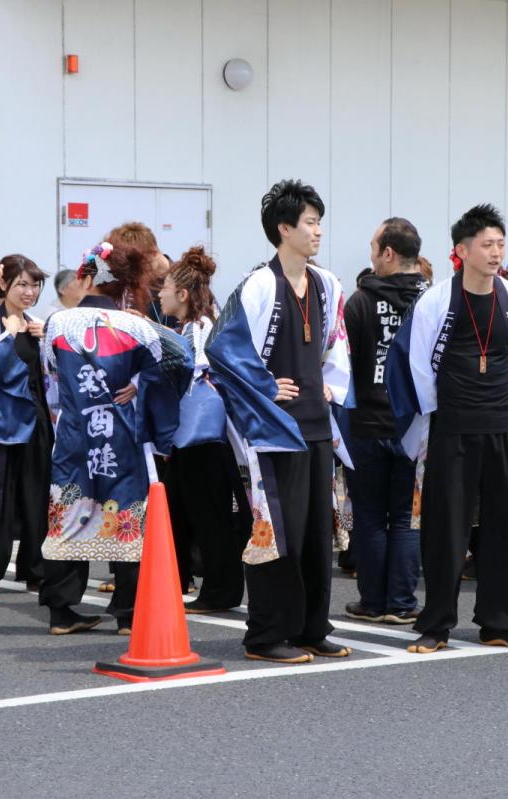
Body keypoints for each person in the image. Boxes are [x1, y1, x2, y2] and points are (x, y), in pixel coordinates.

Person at [387, 203, 508, 654]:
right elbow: (418, 366)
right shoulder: (436, 300)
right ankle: (436, 623)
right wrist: (435, 420)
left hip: (502, 423)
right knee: (446, 528)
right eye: (486, 245)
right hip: (453, 424)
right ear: (462, 250)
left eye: (500, 244)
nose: (495, 253)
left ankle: (503, 621)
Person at [217, 179, 351, 664]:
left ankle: (313, 627)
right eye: (310, 223)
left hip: (317, 426)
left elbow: (337, 345)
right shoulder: (258, 284)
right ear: (284, 228)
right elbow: (223, 346)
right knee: (278, 532)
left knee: (317, 535)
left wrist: (332, 387)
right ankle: (266, 634)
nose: (318, 231)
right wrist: (265, 385)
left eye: (319, 222)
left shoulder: (327, 283)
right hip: (273, 430)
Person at [40, 240, 190, 635]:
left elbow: (51, 376)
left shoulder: (57, 323)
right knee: (126, 517)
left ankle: (61, 611)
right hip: (123, 435)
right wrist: (141, 382)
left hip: (74, 434)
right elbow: (182, 358)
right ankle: (127, 613)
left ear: (88, 277)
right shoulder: (138, 326)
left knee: (69, 515)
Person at [158, 246, 288, 615]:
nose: (160, 294)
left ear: (182, 294)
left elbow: (199, 371)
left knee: (209, 517)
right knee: (185, 513)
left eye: (165, 287)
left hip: (204, 438)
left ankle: (221, 590)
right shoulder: (186, 327)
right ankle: (192, 583)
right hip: (190, 438)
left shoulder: (201, 328)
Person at [340, 218, 428, 623]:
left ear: (388, 253)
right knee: (407, 517)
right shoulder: (433, 300)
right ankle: (402, 603)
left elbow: (345, 365)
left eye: (374, 247)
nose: (371, 255)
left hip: (366, 424)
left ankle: (373, 601)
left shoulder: (359, 301)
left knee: (371, 516)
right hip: (415, 425)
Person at [0, 255, 53, 598]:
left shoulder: (36, 323)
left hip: (36, 419)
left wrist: (45, 340)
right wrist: (9, 336)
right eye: (22, 284)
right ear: (3, 285)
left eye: (34, 285)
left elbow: (50, 375)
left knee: (37, 496)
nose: (29, 292)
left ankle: (36, 569)